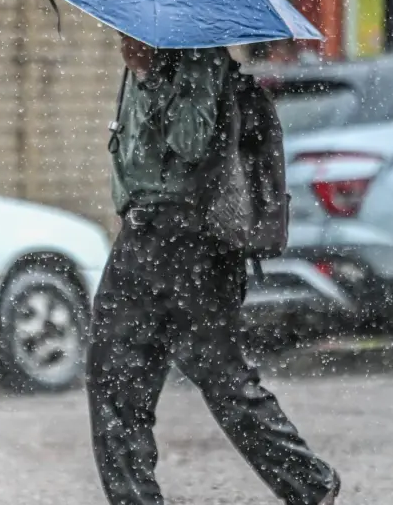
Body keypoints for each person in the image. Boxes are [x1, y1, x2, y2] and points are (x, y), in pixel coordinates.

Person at [86, 33, 340, 505]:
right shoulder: (146, 57)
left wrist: (150, 73)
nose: (121, 36)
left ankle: (309, 484)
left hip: (192, 241)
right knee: (113, 379)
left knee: (222, 378)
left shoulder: (199, 56)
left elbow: (190, 141)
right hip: (142, 238)